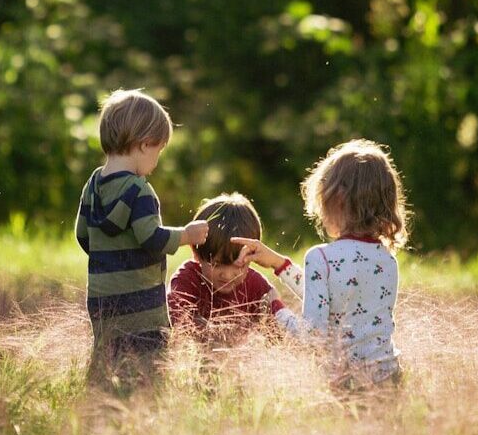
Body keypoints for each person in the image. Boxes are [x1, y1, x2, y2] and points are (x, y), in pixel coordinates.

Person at [232, 139, 409, 383]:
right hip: (389, 378)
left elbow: (313, 337)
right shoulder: (387, 260)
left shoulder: (321, 258)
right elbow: (337, 297)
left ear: (337, 200)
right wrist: (279, 264)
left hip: (348, 385)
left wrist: (275, 310)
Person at [75, 89, 208, 362]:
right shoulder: (139, 190)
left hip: (103, 298)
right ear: (145, 144)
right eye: (158, 151)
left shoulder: (92, 185)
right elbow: (151, 238)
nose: (156, 161)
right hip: (141, 305)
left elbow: (82, 235)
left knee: (108, 361)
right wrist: (186, 235)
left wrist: (110, 261)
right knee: (148, 366)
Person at [168, 193, 286, 334]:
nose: (228, 275)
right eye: (216, 264)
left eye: (239, 265)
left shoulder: (256, 287)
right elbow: (178, 329)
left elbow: (280, 331)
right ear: (197, 254)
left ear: (252, 257)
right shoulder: (187, 281)